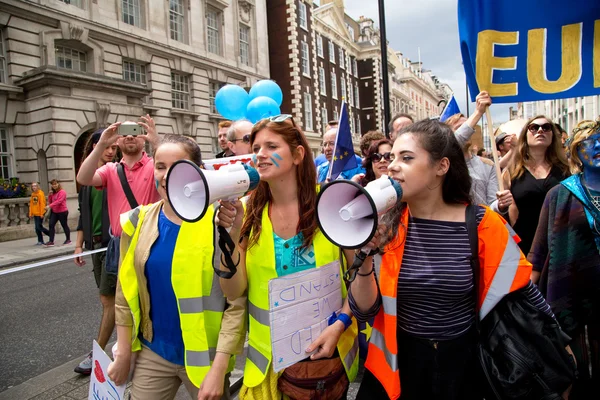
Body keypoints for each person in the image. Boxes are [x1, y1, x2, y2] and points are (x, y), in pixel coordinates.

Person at [347, 119, 555, 400]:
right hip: (399, 370)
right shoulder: (387, 226)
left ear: (441, 167)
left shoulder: (483, 223)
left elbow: (524, 291)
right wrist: (365, 259)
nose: (392, 165)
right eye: (392, 157)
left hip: (464, 368)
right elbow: (364, 311)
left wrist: (557, 348)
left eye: (406, 158)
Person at [216, 114, 359, 399]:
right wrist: (231, 236)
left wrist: (340, 324)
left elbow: (361, 277)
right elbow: (233, 290)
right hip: (266, 367)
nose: (260, 155)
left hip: (324, 362)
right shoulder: (246, 213)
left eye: (272, 147)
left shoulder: (332, 205)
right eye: (256, 148)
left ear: (297, 155)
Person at [107, 134, 246, 400]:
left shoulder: (221, 221)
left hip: (207, 359)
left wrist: (219, 369)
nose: (167, 175)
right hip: (153, 352)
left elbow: (236, 302)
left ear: (199, 171)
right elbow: (125, 294)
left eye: (178, 166)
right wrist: (124, 351)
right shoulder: (138, 221)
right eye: (160, 166)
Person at [76, 115, 160, 370]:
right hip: (120, 246)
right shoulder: (111, 170)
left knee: (151, 300)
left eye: (135, 131)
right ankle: (126, 353)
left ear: (142, 138)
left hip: (152, 242)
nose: (130, 136)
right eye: (124, 133)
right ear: (118, 140)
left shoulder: (156, 165)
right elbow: (83, 178)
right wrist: (101, 144)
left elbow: (182, 169)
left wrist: (157, 142)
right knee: (121, 301)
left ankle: (149, 353)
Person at [529, 119, 600, 399]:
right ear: (575, 153)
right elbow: (539, 250)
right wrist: (527, 299)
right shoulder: (559, 194)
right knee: (573, 364)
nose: (597, 147)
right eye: (588, 143)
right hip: (572, 292)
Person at [73, 129, 118, 375]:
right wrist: (79, 244)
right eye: (106, 146)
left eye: (114, 148)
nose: (111, 151)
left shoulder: (115, 174)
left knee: (107, 300)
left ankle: (98, 353)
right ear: (95, 146)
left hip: (112, 247)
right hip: (95, 246)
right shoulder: (89, 178)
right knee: (110, 301)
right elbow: (83, 214)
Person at [502, 115, 570, 256]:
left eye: (546, 127)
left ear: (553, 136)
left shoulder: (567, 170)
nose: (540, 130)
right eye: (534, 128)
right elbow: (512, 212)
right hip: (525, 244)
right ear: (525, 136)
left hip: (561, 242)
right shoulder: (512, 172)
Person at [445, 92, 513, 216]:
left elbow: (491, 205)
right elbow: (454, 141)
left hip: (481, 228)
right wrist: (478, 112)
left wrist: (500, 205)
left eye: (471, 126)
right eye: (462, 127)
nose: (469, 131)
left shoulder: (488, 165)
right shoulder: (442, 165)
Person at [44, 179, 71, 246]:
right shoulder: (53, 193)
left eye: (55, 184)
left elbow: (59, 201)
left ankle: (68, 239)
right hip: (55, 212)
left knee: (64, 225)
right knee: (51, 225)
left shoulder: (62, 192)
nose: (54, 186)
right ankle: (51, 241)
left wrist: (49, 206)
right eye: (53, 184)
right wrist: (50, 195)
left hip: (62, 211)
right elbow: (51, 201)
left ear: (58, 184)